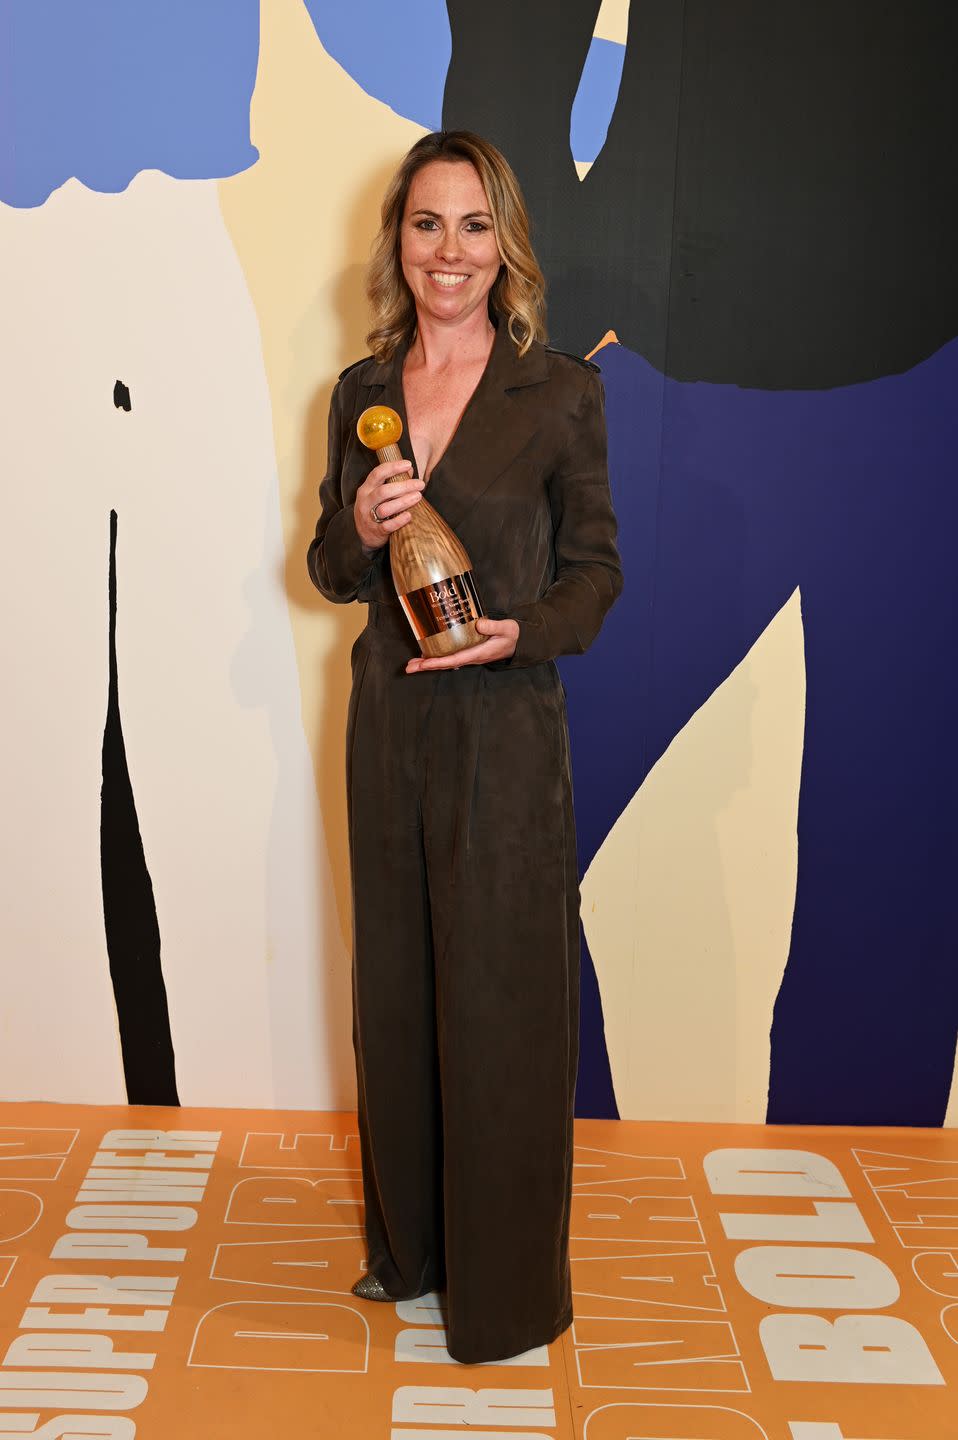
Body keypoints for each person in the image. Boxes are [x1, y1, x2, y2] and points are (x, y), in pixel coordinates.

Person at [307, 130, 622, 1365]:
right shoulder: (360, 394)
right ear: (399, 240)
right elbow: (333, 573)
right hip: (388, 724)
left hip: (503, 729)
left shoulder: (560, 394)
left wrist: (517, 633)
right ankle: (412, 1251)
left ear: (507, 246)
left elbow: (596, 576)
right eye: (427, 224)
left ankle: (502, 1294)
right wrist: (357, 518)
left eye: (474, 226)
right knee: (396, 990)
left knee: (499, 1005)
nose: (450, 251)